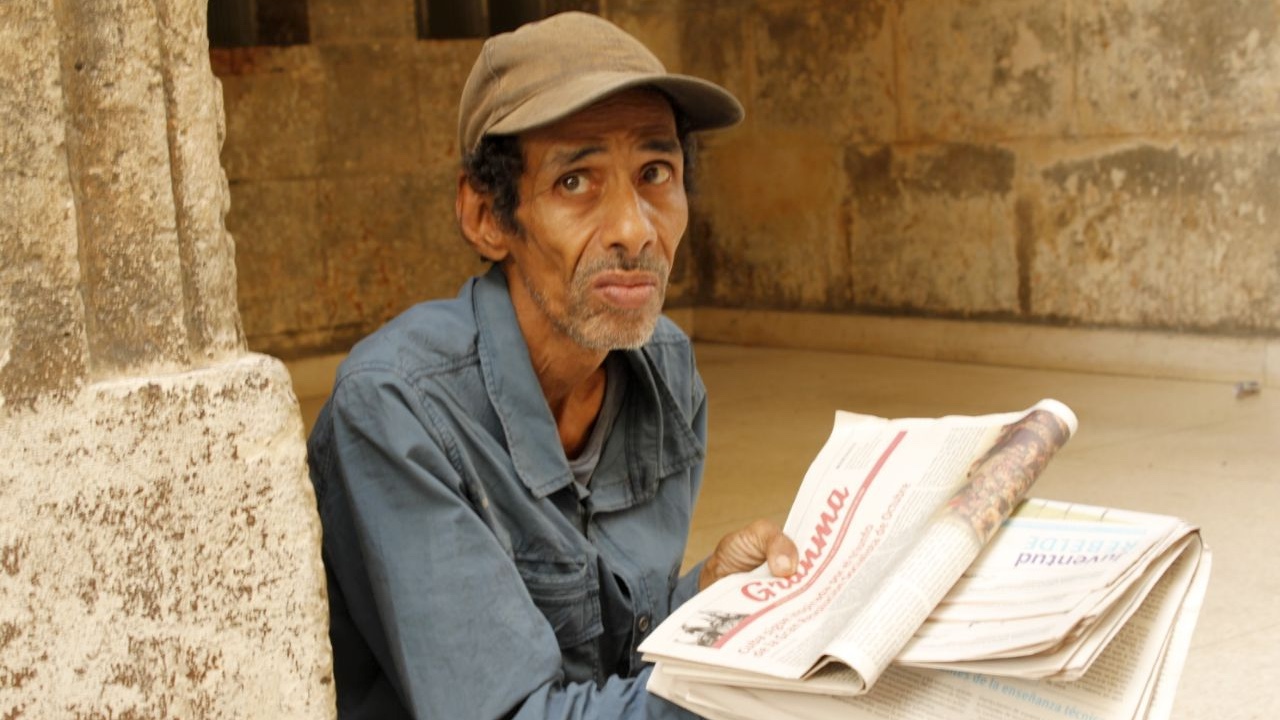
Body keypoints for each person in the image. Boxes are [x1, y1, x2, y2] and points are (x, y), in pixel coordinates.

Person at [307, 12, 798, 720]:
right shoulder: (393, 409)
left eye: (655, 173)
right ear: (486, 217)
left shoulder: (663, 369)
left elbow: (608, 651)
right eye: (577, 182)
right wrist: (740, 690)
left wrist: (708, 594)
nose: (635, 230)